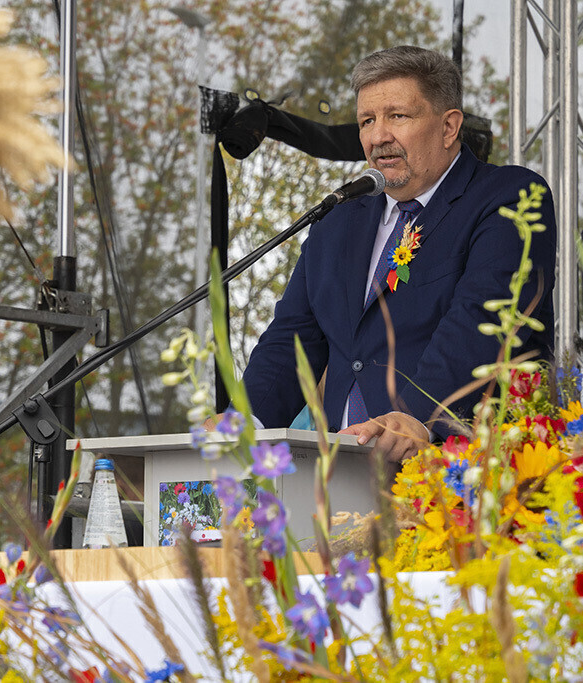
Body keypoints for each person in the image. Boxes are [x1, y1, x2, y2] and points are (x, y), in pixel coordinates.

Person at [233, 45, 557, 464]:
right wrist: (243, 422)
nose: (377, 135)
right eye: (367, 120)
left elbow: (484, 322)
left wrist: (418, 417)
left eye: (397, 116)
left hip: (466, 473)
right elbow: (291, 339)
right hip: (343, 474)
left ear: (448, 127)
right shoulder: (337, 220)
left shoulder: (507, 196)